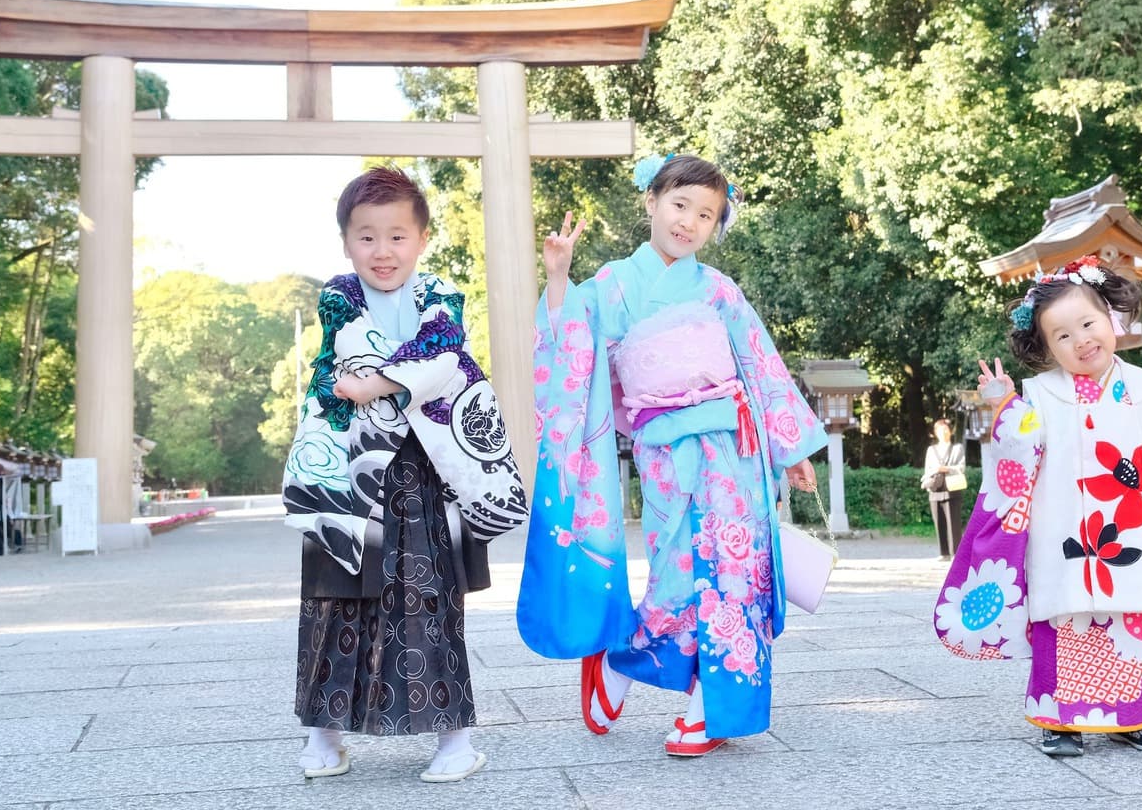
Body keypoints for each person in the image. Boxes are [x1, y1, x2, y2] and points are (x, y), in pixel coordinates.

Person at [516, 153, 827, 757]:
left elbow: (761, 366)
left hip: (735, 446)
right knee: (675, 574)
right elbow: (572, 351)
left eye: (706, 215)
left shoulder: (718, 290)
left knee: (736, 572)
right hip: (664, 448)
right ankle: (623, 659)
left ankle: (711, 710)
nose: (689, 222)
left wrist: (791, 448)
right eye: (680, 205)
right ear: (652, 201)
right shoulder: (610, 284)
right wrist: (559, 279)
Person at [281, 166, 527, 783]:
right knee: (333, 596)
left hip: (426, 465)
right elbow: (346, 353)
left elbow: (445, 354)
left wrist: (379, 382)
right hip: (348, 468)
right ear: (345, 242)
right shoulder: (339, 293)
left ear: (421, 239)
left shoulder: (440, 292)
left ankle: (454, 740)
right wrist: (377, 377)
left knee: (429, 599)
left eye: (397, 236)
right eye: (366, 236)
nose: (382, 250)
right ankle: (324, 735)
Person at [933, 255, 1142, 757]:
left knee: (1131, 616)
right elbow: (1019, 451)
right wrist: (1004, 405)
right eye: (1061, 335)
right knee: (1063, 620)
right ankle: (1059, 720)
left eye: (1087, 323)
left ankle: (1135, 716)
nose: (1081, 339)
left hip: (1131, 529)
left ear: (1109, 316)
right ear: (1045, 348)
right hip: (1063, 533)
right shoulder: (1038, 395)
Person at [919, 418, 966, 558]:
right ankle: (943, 553)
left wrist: (945, 468)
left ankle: (955, 553)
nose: (943, 432)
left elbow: (961, 467)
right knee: (939, 521)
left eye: (946, 429)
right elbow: (928, 469)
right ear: (935, 433)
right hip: (936, 488)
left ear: (951, 431)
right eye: (940, 430)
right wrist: (935, 471)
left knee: (954, 522)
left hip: (953, 487)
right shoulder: (931, 450)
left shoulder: (957, 448)